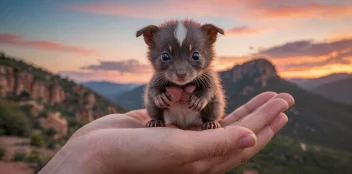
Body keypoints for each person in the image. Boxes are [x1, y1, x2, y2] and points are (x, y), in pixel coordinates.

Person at [38, 92, 294, 174]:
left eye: (194, 57)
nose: (181, 70)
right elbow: (154, 99)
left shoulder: (204, 79)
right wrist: (92, 154)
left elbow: (211, 97)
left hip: (200, 119)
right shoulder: (160, 81)